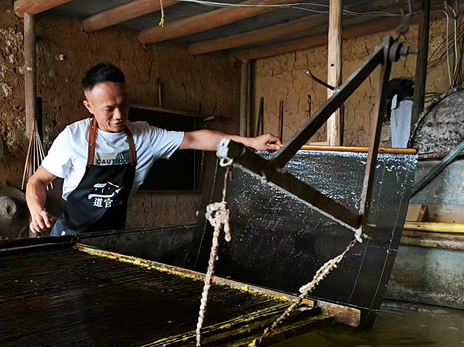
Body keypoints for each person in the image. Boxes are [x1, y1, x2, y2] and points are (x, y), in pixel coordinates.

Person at [26, 62, 281, 235]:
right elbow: (36, 181)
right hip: (69, 236)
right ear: (89, 106)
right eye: (108, 109)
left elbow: (196, 139)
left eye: (123, 106)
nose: (118, 115)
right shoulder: (73, 138)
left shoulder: (144, 136)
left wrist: (250, 142)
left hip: (112, 239)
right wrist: (37, 212)